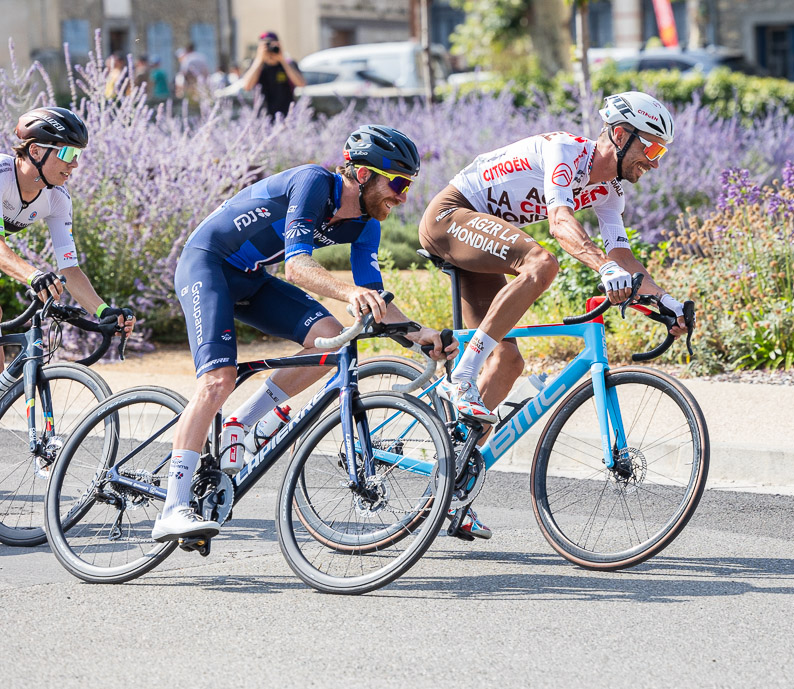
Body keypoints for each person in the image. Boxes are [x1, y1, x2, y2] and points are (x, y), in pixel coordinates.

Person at [152, 124, 454, 542]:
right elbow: (296, 267)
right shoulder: (314, 182)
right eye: (398, 183)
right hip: (207, 266)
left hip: (249, 276)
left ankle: (244, 422)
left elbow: (376, 299)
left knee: (328, 339)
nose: (403, 196)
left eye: (408, 186)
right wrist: (350, 293)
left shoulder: (366, 224)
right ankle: (172, 508)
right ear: (363, 174)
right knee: (217, 381)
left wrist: (420, 333)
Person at [418, 91, 690, 539]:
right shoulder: (565, 152)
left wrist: (668, 302)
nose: (655, 162)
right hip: (451, 218)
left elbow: (621, 254)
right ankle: (461, 378)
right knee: (542, 264)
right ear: (620, 135)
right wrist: (600, 266)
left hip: (484, 243)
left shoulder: (610, 191)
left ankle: (445, 490)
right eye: (652, 148)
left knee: (508, 363)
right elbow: (560, 221)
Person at [0, 107, 136, 372]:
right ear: (36, 151)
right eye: (68, 153)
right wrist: (34, 275)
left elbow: (69, 269)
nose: (74, 164)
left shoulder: (58, 198)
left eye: (78, 155)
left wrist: (103, 311)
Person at [240, 31, 306, 119]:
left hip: (287, 117)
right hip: (262, 118)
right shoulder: (255, 64)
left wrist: (282, 59)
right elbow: (247, 86)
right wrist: (259, 59)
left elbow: (301, 83)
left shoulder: (289, 63)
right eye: (266, 46)